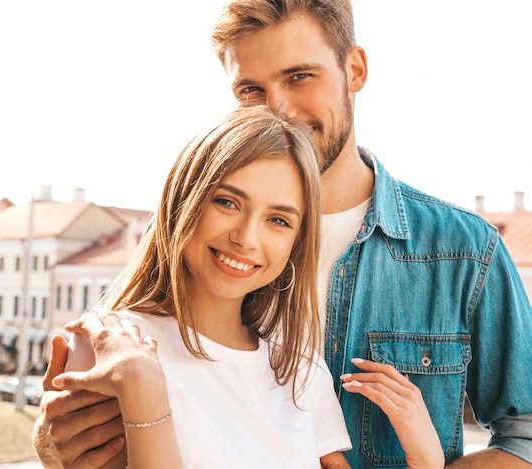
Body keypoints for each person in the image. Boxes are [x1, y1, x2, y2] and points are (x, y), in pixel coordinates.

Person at [34, 1, 532, 467]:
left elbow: (526, 437)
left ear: (354, 69)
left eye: (299, 76)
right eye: (251, 90)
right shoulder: (188, 239)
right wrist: (55, 443)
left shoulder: (465, 251)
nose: (278, 110)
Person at [49, 106, 351, 468]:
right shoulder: (111, 346)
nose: (247, 238)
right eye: (227, 202)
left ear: (296, 242)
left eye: (278, 220)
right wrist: (142, 385)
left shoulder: (302, 372)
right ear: (182, 201)